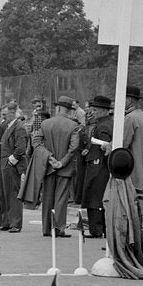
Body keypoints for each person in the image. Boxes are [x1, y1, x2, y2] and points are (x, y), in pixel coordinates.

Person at [33, 96, 81, 237]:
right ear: (69, 110)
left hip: (48, 166)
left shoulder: (46, 123)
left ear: (58, 108)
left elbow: (36, 142)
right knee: (61, 199)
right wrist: (62, 162)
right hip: (64, 169)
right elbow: (74, 148)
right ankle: (58, 228)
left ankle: (46, 228)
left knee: (47, 197)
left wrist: (49, 157)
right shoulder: (74, 126)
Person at [80, 95, 113, 238]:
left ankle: (96, 230)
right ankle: (99, 229)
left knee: (94, 198)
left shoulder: (103, 126)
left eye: (95, 109)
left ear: (104, 110)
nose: (91, 112)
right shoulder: (105, 123)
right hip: (98, 165)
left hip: (98, 167)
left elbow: (106, 148)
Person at [0, 101, 28, 233]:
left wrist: (11, 161)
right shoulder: (10, 126)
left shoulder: (18, 127)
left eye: (5, 114)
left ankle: (15, 223)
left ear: (13, 113)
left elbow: (21, 148)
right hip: (5, 165)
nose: (3, 117)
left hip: (12, 166)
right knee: (5, 194)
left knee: (13, 195)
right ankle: (7, 221)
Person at [123, 85, 143, 205]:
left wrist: (108, 146)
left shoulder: (130, 118)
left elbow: (123, 144)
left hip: (133, 165)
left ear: (128, 100)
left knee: (132, 201)